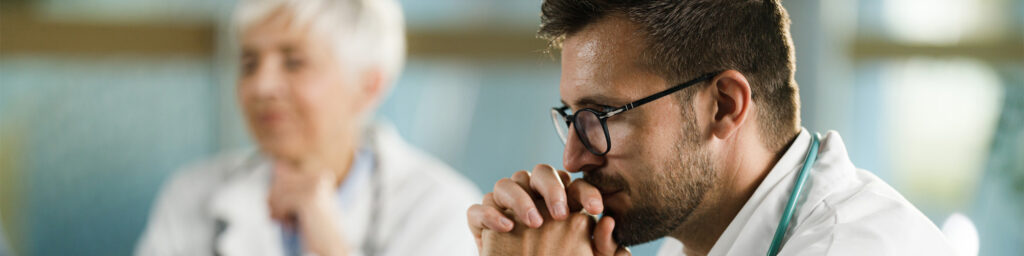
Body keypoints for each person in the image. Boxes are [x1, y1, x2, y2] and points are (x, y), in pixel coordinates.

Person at [467, 0, 956, 255]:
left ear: (723, 106)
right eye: (573, 119)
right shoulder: (700, 236)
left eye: (604, 116)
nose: (574, 158)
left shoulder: (853, 249)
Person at [136, 0, 480, 255]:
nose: (262, 86)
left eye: (294, 62)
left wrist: (332, 247)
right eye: (249, 63)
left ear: (368, 86)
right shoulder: (190, 195)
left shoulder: (442, 212)